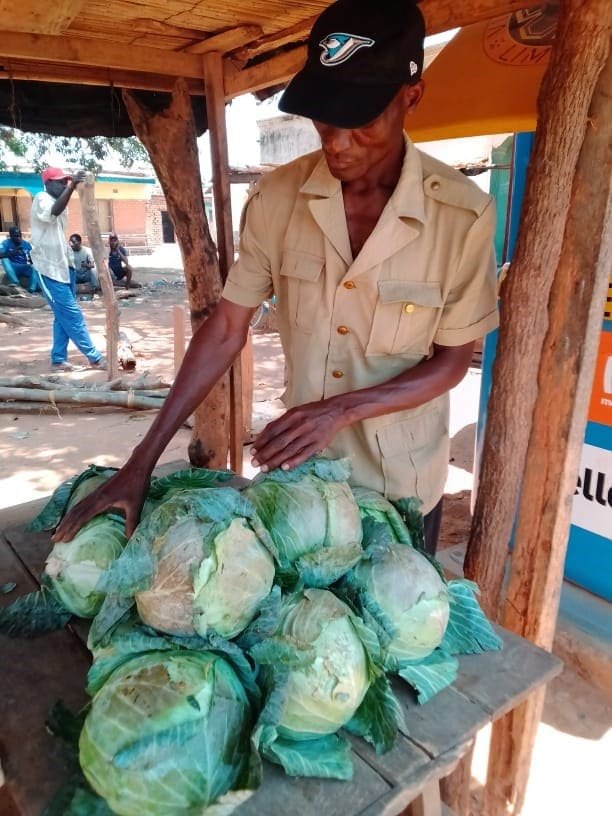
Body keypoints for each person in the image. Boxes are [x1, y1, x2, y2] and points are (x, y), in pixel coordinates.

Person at [55, 0, 498, 554]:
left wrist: (341, 409)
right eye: (323, 117)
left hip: (400, 489)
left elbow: (454, 361)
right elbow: (224, 329)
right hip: (299, 487)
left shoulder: (461, 215)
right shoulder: (276, 200)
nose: (335, 142)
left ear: (412, 97)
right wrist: (140, 462)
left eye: (359, 120)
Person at [30, 167, 106, 372]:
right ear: (48, 183)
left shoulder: (60, 203)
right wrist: (72, 187)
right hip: (48, 269)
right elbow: (52, 212)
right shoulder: (41, 198)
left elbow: (58, 213)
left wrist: (70, 189)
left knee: (61, 316)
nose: (64, 184)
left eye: (66, 181)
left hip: (64, 268)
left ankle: (58, 359)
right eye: (60, 182)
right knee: (73, 315)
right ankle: (95, 358)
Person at [0, 226, 40, 293]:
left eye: (19, 235)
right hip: (13, 266)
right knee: (4, 259)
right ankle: (15, 282)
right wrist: (13, 252)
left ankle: (31, 289)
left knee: (36, 266)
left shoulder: (26, 244)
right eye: (15, 236)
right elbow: (1, 255)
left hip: (24, 266)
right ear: (11, 236)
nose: (18, 238)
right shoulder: (5, 243)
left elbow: (31, 259)